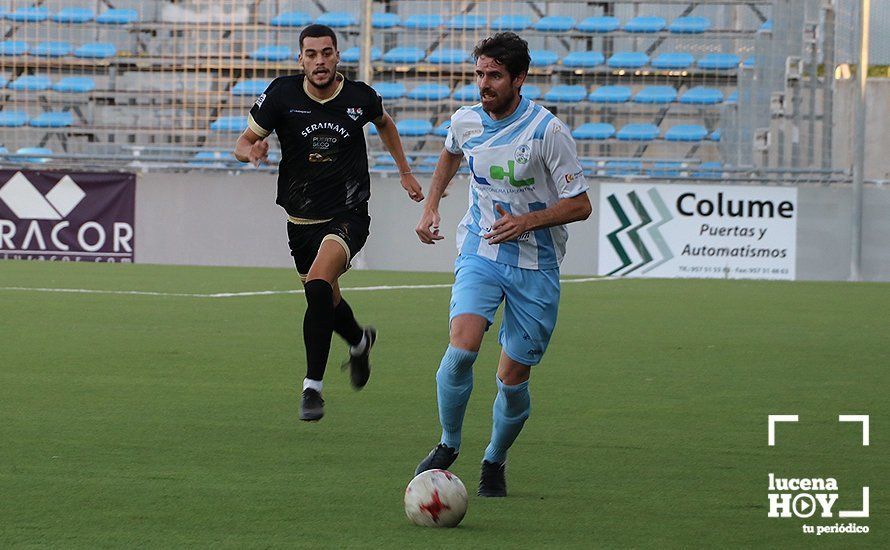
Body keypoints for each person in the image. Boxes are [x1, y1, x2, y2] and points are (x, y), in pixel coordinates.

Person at [413, 32, 592, 496]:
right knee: (461, 349)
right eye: (479, 74)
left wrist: (528, 221)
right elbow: (450, 153)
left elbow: (581, 204)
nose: (484, 84)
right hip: (482, 249)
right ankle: (449, 443)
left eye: (494, 75)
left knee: (512, 379)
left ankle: (494, 459)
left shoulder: (547, 132)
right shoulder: (466, 121)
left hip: (537, 264)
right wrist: (431, 205)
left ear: (519, 78)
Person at [234, 24, 423, 422]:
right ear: (300, 59)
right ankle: (358, 342)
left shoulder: (359, 97)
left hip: (348, 214)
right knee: (325, 299)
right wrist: (253, 151)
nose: (319, 61)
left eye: (326, 53)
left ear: (338, 56)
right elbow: (241, 144)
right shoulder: (281, 94)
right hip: (300, 218)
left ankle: (312, 389)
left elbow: (385, 124)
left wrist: (404, 172)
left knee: (319, 284)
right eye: (311, 54)